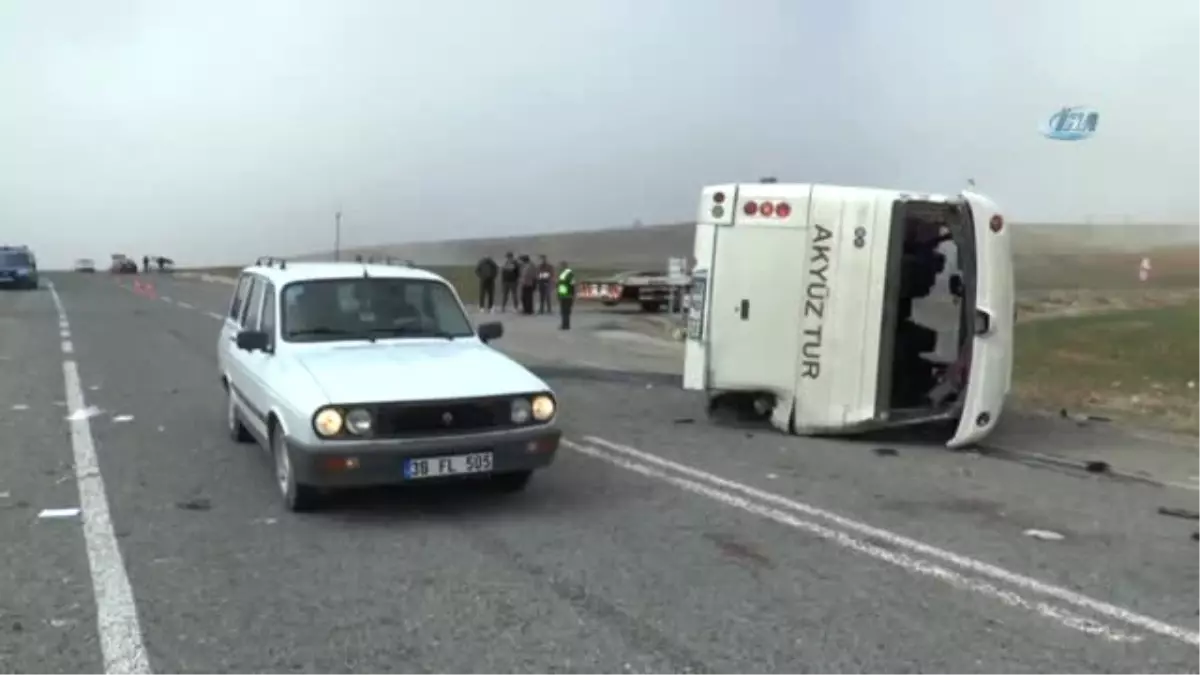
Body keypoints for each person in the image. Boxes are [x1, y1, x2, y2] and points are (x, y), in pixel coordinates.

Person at [556, 260, 576, 330]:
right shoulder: (567, 274)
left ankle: (565, 325)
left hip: (566, 295)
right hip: (565, 295)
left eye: (561, 266)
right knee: (565, 311)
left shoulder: (566, 274)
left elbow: (571, 285)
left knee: (565, 311)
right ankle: (565, 324)